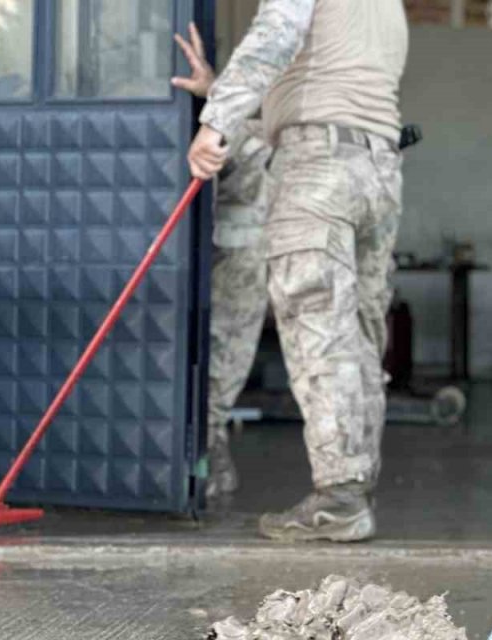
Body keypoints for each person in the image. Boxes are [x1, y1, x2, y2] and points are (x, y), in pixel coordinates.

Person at [186, 0, 409, 542]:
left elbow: (276, 34)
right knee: (360, 337)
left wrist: (215, 121)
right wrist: (219, 89)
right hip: (379, 166)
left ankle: (339, 498)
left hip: (316, 169)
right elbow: (324, 77)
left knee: (319, 331)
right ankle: (355, 486)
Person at [171, 23, 272, 501]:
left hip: (263, 247)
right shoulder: (239, 113)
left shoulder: (296, 107)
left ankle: (210, 456)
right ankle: (208, 459)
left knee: (228, 356)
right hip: (233, 249)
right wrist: (215, 93)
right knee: (218, 356)